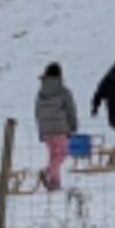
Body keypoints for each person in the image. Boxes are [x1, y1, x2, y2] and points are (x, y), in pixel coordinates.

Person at [34, 62, 77, 191]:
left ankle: (55, 183)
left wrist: (41, 131)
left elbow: (37, 112)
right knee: (62, 154)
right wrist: (73, 126)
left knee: (53, 155)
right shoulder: (64, 92)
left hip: (46, 130)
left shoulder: (41, 92)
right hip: (60, 128)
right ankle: (47, 172)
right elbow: (71, 110)